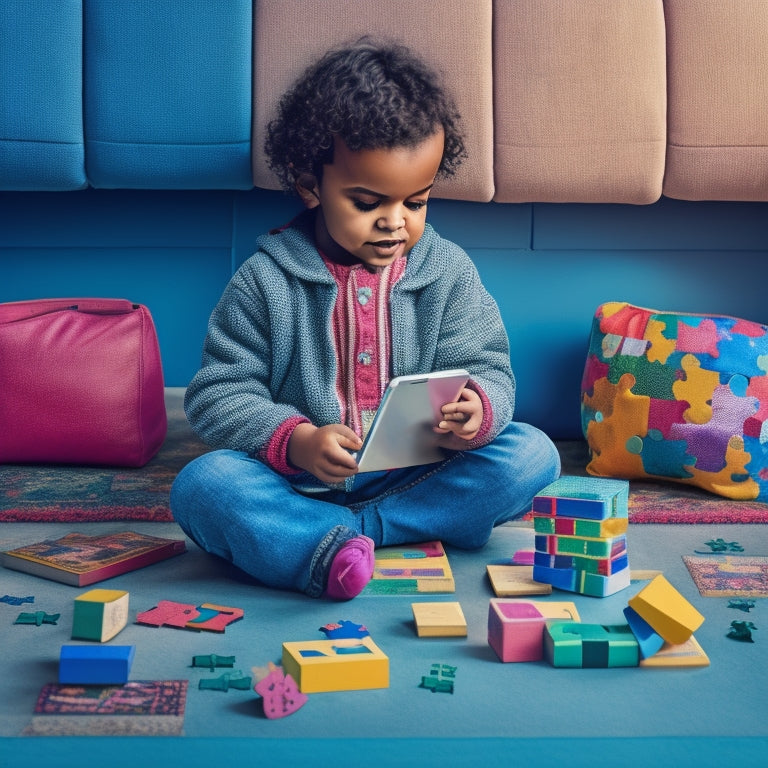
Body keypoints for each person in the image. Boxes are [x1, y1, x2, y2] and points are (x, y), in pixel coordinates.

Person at [170, 38, 560, 600]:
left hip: (417, 479)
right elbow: (217, 395)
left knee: (532, 455)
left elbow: (489, 368)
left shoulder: (447, 272)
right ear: (310, 185)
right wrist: (296, 440)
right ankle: (324, 533)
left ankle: (335, 542)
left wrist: (478, 407)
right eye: (367, 202)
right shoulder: (265, 280)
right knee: (204, 487)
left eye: (416, 202)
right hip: (296, 484)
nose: (394, 223)